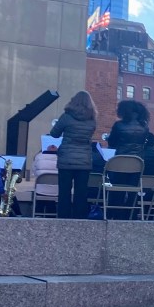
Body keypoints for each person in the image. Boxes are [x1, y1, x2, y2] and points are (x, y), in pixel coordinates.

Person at [50, 90, 97, 219]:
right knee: (81, 193)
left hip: (66, 159)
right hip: (84, 160)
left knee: (64, 192)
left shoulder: (66, 117)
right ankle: (79, 220)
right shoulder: (92, 120)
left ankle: (63, 219)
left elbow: (54, 133)